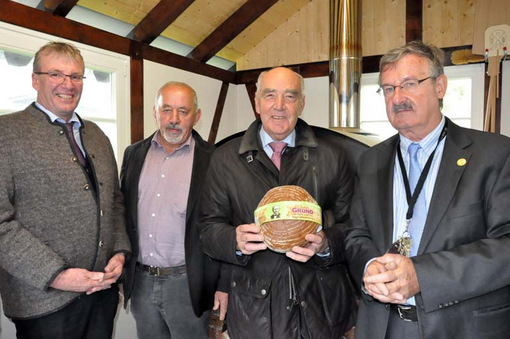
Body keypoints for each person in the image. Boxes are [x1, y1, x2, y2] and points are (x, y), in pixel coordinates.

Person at [345, 40, 510, 339]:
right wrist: (369, 265)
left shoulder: (495, 154)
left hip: (459, 326)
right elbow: (356, 234)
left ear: (440, 86)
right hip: (381, 325)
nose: (398, 97)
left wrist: (422, 275)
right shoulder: (370, 160)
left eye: (409, 83)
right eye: (389, 88)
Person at [200, 67, 357, 339]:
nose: (280, 106)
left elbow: (354, 227)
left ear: (302, 103)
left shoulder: (334, 156)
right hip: (255, 310)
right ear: (257, 102)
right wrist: (233, 241)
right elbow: (207, 228)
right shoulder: (225, 159)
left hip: (321, 307)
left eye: (290, 96)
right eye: (270, 95)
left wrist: (326, 243)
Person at [0, 41, 130, 338]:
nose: (67, 84)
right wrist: (56, 275)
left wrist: (120, 253)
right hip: (42, 303)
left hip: (100, 295)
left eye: (75, 76)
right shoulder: (5, 133)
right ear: (35, 79)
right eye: (56, 75)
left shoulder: (97, 136)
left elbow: (115, 202)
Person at [120, 81, 228, 338]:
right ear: (155, 112)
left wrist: (224, 285)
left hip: (188, 284)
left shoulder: (214, 159)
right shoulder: (133, 154)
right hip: (142, 283)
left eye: (183, 111)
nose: (174, 119)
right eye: (166, 110)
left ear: (197, 116)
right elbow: (123, 215)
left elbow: (226, 225)